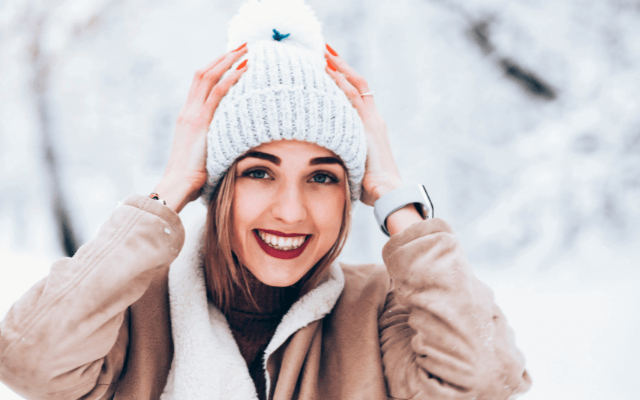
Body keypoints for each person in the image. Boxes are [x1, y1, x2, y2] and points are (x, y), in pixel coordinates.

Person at [0, 0, 531, 399]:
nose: (292, 211)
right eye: (259, 172)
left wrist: (396, 199)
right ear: (217, 183)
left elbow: (483, 381)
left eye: (322, 178)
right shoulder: (133, 311)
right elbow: (29, 359)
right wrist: (168, 191)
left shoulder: (382, 308)